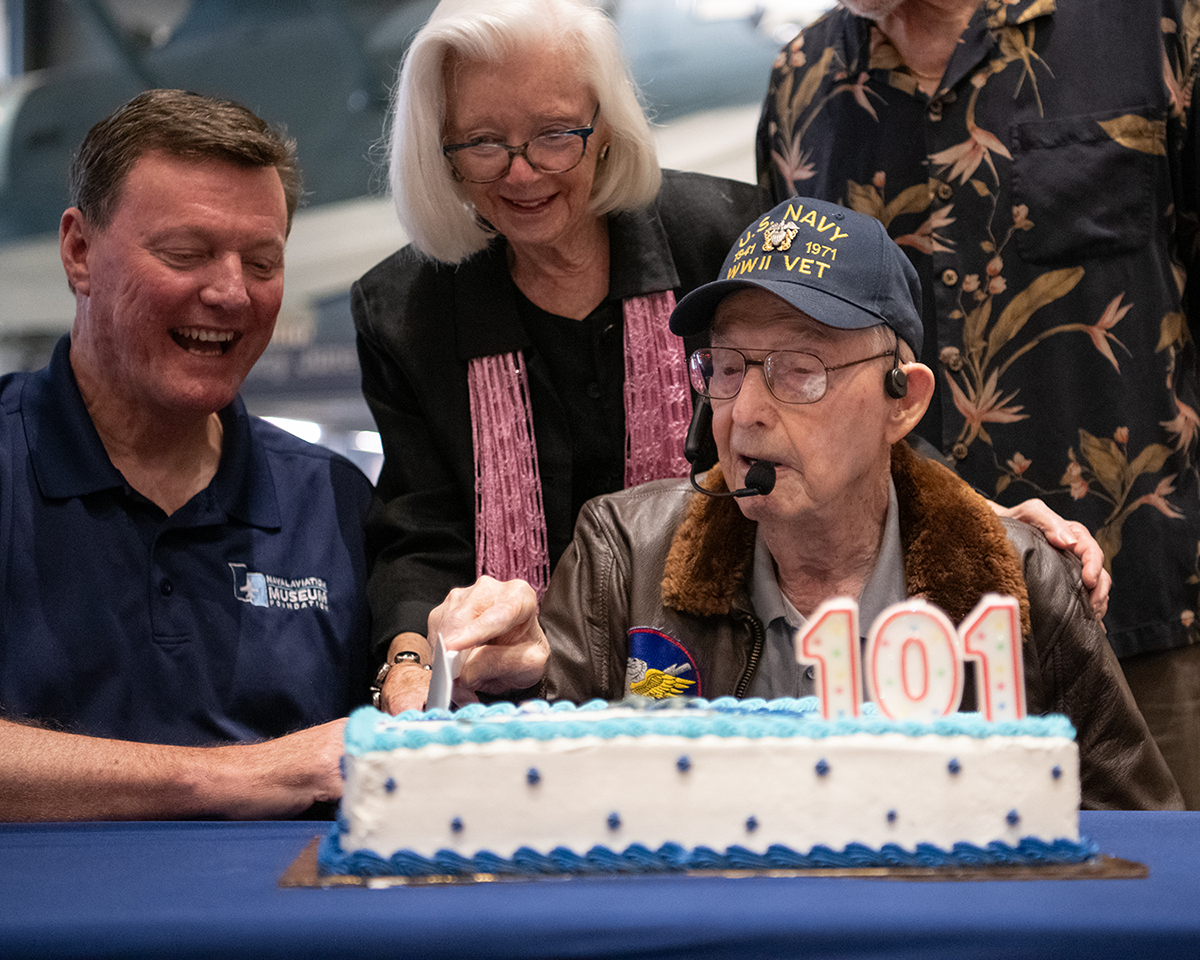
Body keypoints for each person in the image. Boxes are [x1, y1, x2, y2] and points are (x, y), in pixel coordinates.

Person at [354, 0, 1104, 715]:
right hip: (517, 686)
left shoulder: (724, 237)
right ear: (441, 151)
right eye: (484, 143)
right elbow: (423, 530)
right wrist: (416, 664)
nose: (522, 173)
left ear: (606, 125)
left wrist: (986, 520)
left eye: (555, 134)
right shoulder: (405, 311)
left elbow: (844, 415)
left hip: (714, 665)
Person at [425, 197, 1182, 810]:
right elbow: (522, 802)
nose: (744, 410)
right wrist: (482, 689)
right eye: (724, 367)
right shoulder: (622, 556)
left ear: (903, 401)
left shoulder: (1018, 581)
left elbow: (1139, 841)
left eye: (799, 369)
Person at [0, 89, 544, 822]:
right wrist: (239, 776)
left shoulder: (330, 503)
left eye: (262, 262)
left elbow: (391, 744)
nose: (230, 293)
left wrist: (462, 684)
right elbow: (293, 770)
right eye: (185, 254)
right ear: (79, 252)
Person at [755, 1, 1200, 807]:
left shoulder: (1152, 23)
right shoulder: (803, 82)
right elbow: (793, 362)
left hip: (1153, 614)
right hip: (908, 648)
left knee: (1161, 905)